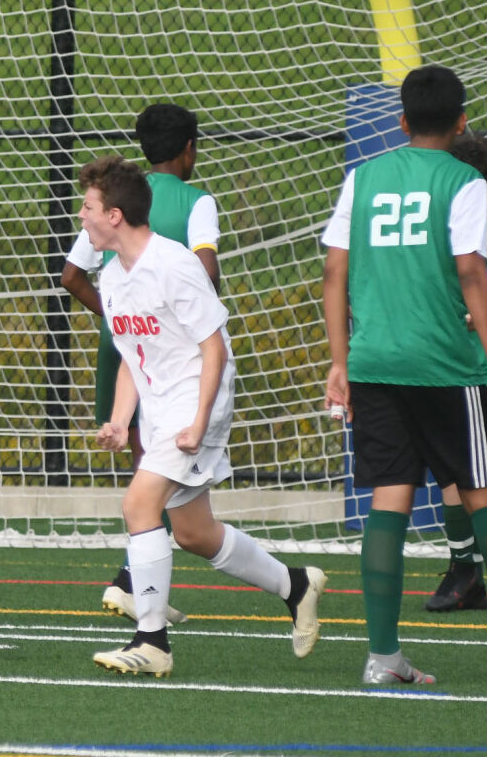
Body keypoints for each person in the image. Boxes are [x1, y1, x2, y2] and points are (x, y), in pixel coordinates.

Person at [322, 65, 487, 686]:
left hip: (373, 363)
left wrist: (340, 362)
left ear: (400, 121)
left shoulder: (362, 176)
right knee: (484, 499)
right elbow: (471, 274)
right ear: (461, 122)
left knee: (388, 501)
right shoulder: (463, 180)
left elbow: (334, 274)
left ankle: (381, 656)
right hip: (446, 367)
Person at [81, 154, 324, 678]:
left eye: (88, 207)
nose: (83, 216)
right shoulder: (113, 275)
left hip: (198, 399)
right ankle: (296, 586)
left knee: (138, 504)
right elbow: (132, 354)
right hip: (163, 406)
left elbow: (213, 349)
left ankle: (152, 642)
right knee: (194, 532)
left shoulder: (173, 264)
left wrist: (198, 420)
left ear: (115, 216)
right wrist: (122, 420)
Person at [60, 103, 216, 623]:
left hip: (124, 345)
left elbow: (70, 275)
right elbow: (207, 274)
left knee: (144, 470)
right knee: (155, 479)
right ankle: (139, 594)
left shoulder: (115, 199)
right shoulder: (190, 202)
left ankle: (139, 584)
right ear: (189, 149)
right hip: (166, 350)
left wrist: (115, 317)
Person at [425, 129, 487, 613]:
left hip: (480, 379)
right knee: (454, 481)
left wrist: (442, 312)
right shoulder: (443, 241)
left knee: (464, 484)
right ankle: (468, 572)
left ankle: (469, 573)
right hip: (443, 374)